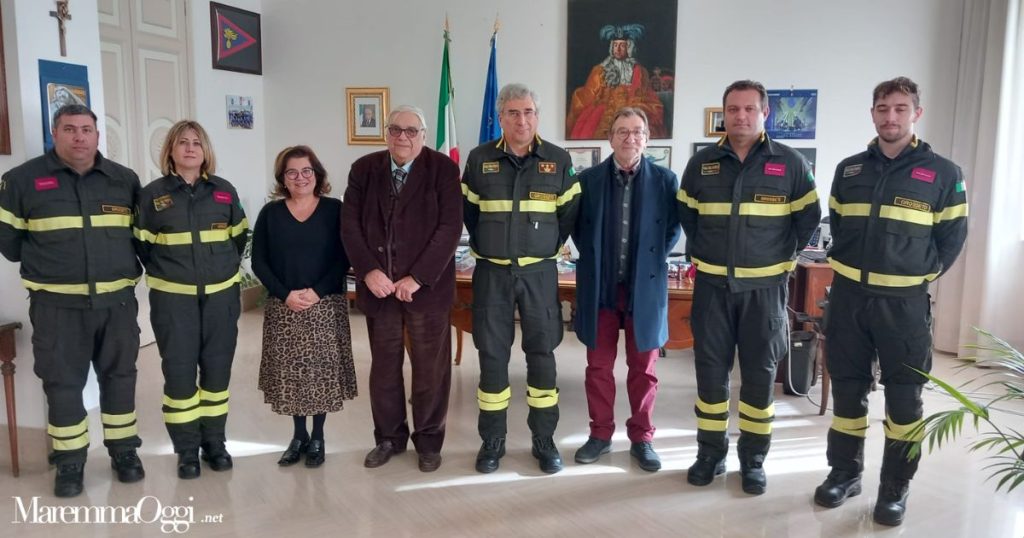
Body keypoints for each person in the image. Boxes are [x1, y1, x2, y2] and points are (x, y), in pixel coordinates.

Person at [813, 77, 969, 526]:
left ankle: (895, 487)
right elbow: (838, 224)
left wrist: (917, 276)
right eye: (883, 109)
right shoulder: (849, 170)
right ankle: (844, 474)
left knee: (904, 401)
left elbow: (952, 238)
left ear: (916, 113)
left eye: (900, 108)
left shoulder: (944, 173)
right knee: (848, 391)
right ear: (873, 114)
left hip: (903, 305)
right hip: (848, 298)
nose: (891, 117)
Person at [676, 80, 821, 495]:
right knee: (710, 376)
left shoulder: (790, 164)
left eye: (749, 109)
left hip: (765, 292)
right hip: (713, 289)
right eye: (733, 109)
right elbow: (688, 216)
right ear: (724, 114)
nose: (741, 116)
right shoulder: (701, 164)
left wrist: (782, 258)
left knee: (759, 377)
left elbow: (808, 219)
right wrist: (708, 253)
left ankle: (753, 460)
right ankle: (710, 454)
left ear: (765, 113)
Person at [0, 104, 144, 497]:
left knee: (120, 377)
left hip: (116, 305)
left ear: (97, 135)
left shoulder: (124, 180)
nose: (79, 136)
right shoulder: (21, 181)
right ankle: (69, 462)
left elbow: (140, 237)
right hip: (57, 308)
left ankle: (124, 452)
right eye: (69, 129)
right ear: (55, 134)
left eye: (86, 129)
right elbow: (10, 245)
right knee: (62, 383)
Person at [462, 83, 582, 474]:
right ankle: (492, 441)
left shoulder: (558, 159)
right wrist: (493, 244)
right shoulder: (479, 159)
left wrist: (542, 247)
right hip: (492, 274)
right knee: (492, 356)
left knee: (542, 356)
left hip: (539, 275)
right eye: (513, 112)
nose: (522, 120)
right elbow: (469, 213)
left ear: (537, 116)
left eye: (528, 111)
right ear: (500, 117)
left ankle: (544, 440)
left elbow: (568, 216)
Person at [341, 105, 462, 473]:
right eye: (395, 129)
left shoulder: (443, 169)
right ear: (386, 133)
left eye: (411, 131)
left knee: (430, 371)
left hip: (426, 290)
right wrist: (368, 271)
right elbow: (349, 226)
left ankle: (428, 441)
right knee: (384, 370)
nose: (402, 137)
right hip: (379, 290)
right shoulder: (364, 169)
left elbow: (450, 228)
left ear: (423, 136)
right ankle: (389, 439)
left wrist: (418, 277)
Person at [134, 120, 247, 479]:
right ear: (170, 150)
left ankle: (214, 442)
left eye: (196, 142)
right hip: (174, 302)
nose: (189, 148)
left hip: (220, 299)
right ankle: (186, 450)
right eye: (182, 142)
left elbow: (239, 239)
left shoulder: (224, 192)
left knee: (217, 371)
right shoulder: (152, 195)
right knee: (180, 375)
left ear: (205, 150)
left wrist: (218, 271)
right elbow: (142, 246)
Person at [571, 107, 681, 472]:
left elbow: (672, 230)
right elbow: (579, 229)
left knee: (643, 369)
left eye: (637, 132)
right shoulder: (588, 180)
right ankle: (600, 434)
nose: (629, 138)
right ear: (610, 138)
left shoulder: (665, 180)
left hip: (643, 290)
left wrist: (649, 261)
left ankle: (642, 438)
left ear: (647, 139)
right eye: (622, 131)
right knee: (598, 367)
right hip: (601, 289)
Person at [254, 145, 357, 468]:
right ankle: (298, 436)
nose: (300, 178)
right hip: (284, 307)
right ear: (282, 178)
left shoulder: (334, 210)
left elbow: (344, 256)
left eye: (306, 171)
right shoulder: (270, 214)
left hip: (325, 304)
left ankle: (318, 437)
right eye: (292, 172)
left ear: (317, 174)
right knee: (292, 375)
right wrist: (285, 294)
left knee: (320, 374)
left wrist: (317, 292)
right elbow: (259, 261)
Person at [566, 24, 667, 140]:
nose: (618, 49)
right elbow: (588, 95)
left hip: (632, 109)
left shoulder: (640, 71)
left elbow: (645, 94)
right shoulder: (599, 70)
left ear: (629, 48)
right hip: (605, 111)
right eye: (615, 45)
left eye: (622, 46)